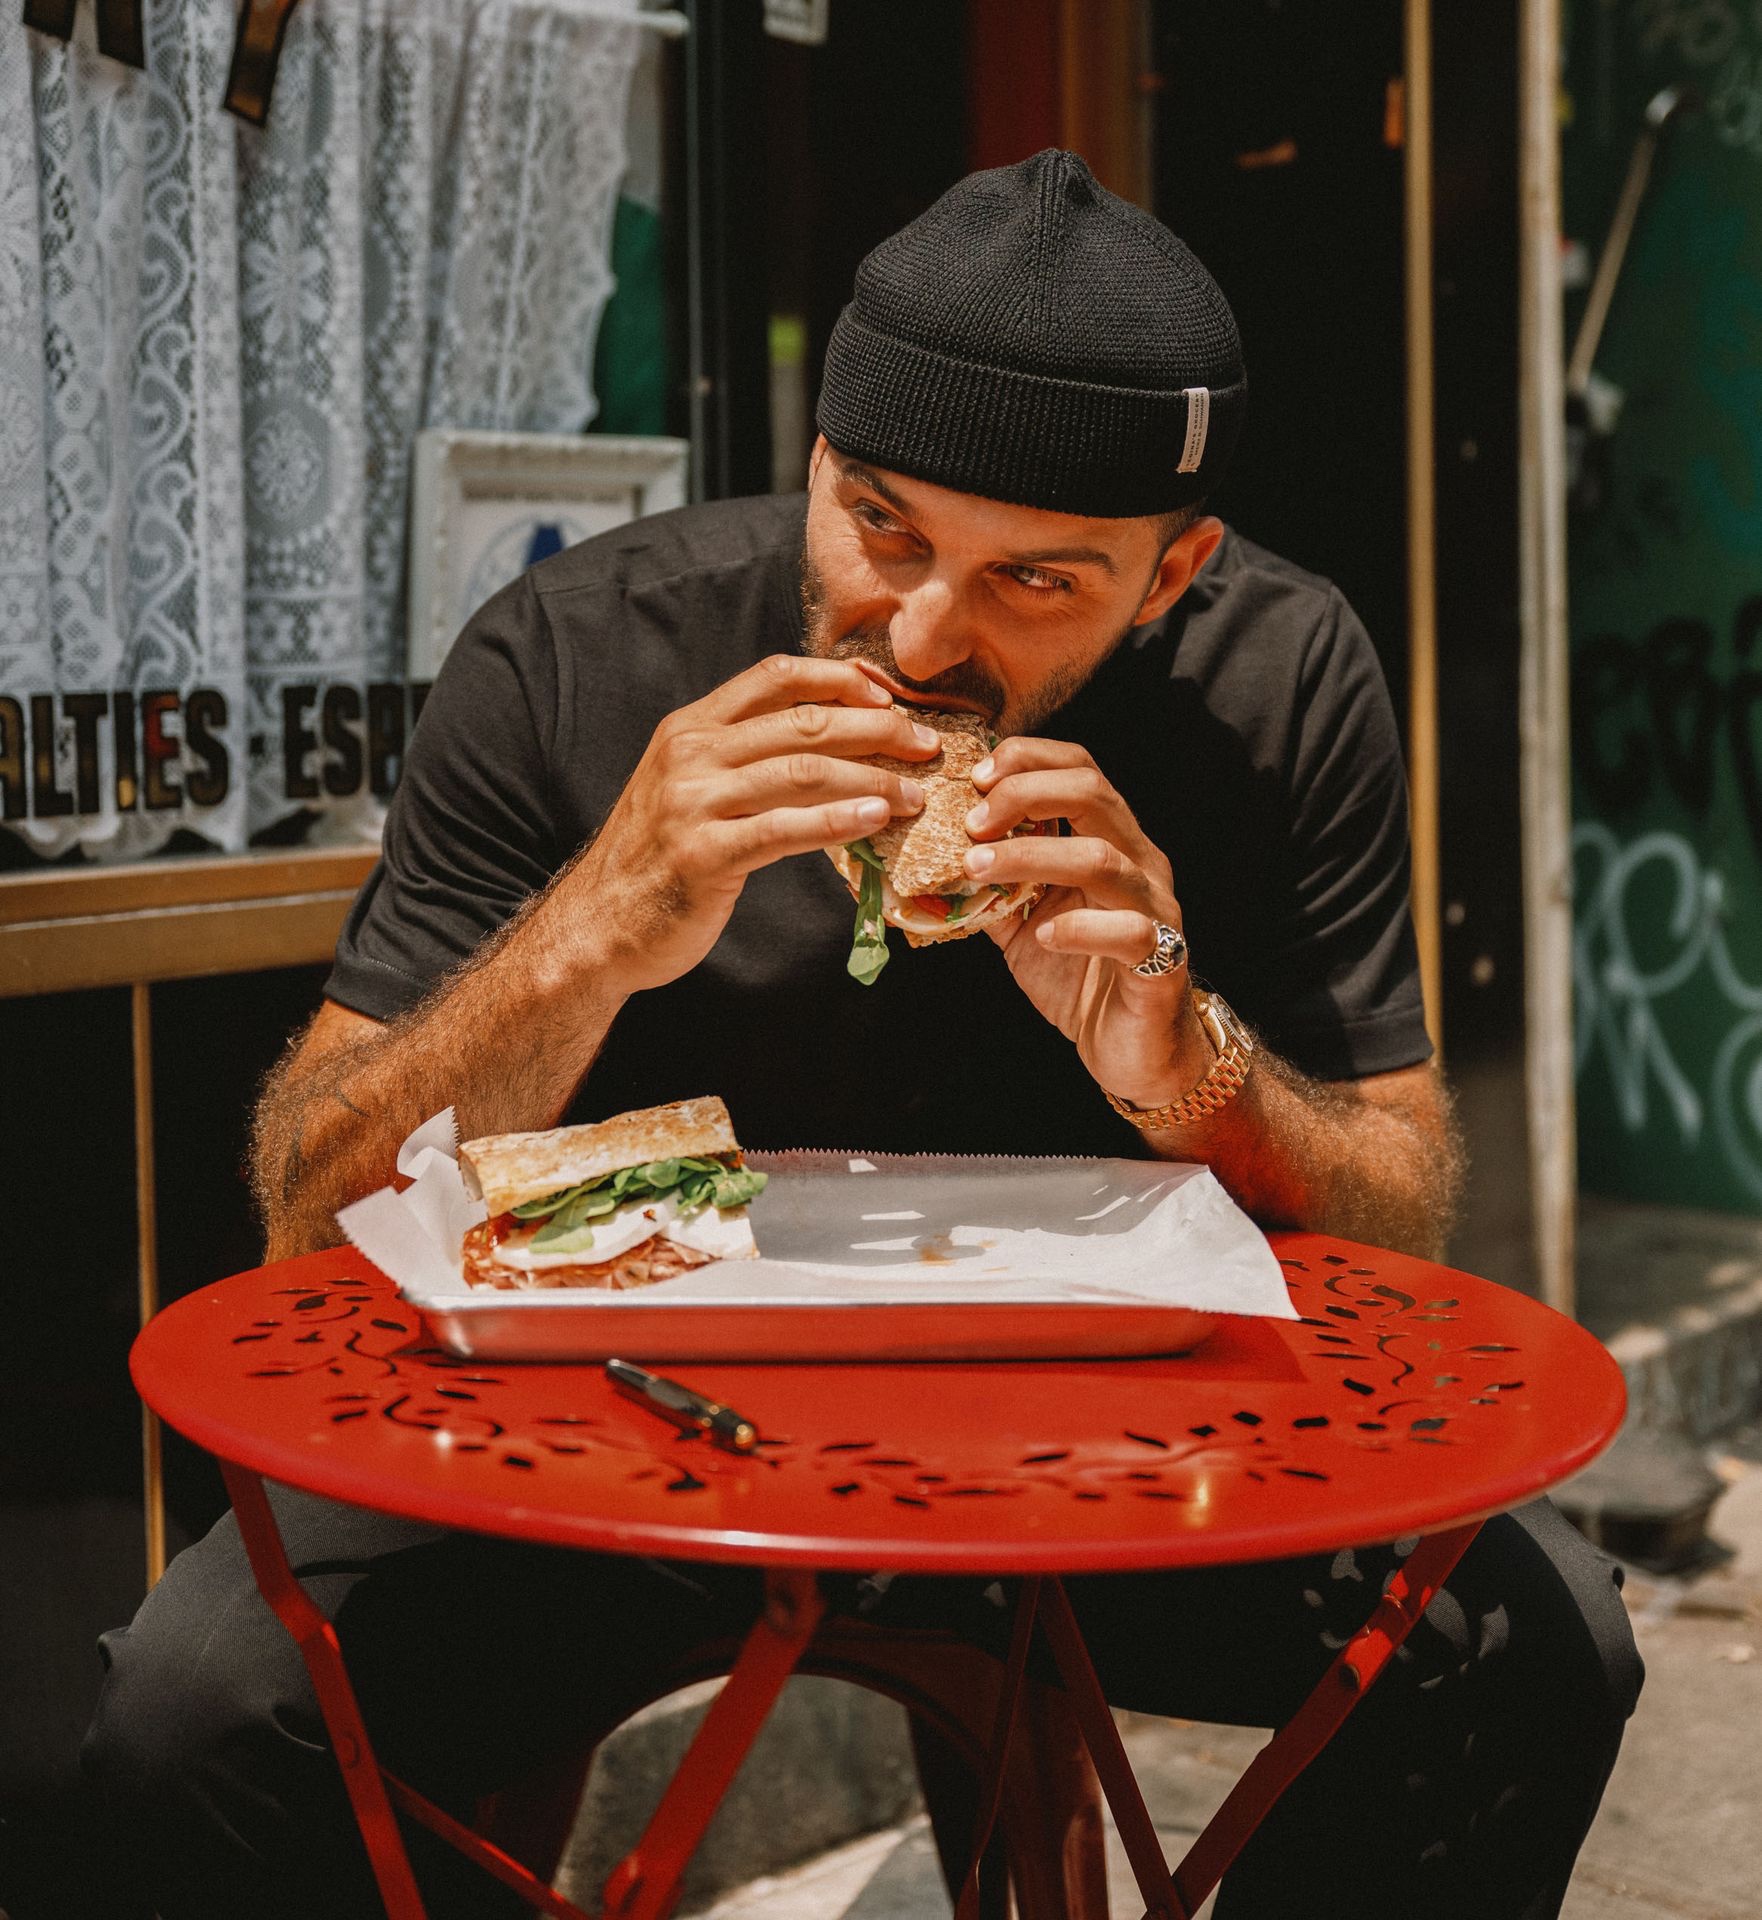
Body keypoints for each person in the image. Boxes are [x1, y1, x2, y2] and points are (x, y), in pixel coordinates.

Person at [83, 151, 1641, 1920]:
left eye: (1033, 583)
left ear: (1169, 574)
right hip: (597, 1446)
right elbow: (307, 1196)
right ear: (817, 461)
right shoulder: (579, 649)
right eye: (880, 524)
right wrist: (591, 929)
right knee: (197, 1717)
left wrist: (1181, 1060)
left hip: (1110, 1471)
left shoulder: (1281, 681)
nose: (919, 633)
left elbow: (1399, 1213)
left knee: (1528, 1646)